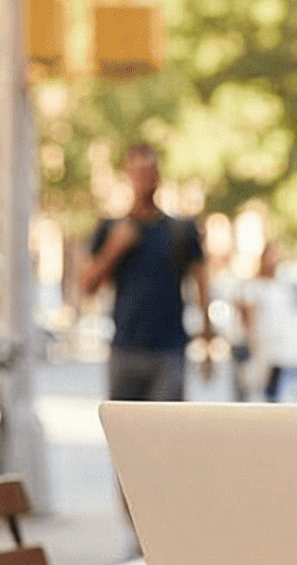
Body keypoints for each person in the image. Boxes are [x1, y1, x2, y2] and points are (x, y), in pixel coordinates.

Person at [79, 143, 209, 404]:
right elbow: (87, 285)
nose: (142, 182)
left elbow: (202, 282)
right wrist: (114, 250)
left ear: (158, 178)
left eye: (148, 174)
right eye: (136, 174)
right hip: (125, 347)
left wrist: (207, 338)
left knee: (166, 435)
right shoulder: (111, 228)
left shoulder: (180, 231)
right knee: (124, 437)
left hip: (169, 350)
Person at [238, 241, 297, 401]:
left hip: (286, 344)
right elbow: (249, 320)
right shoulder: (253, 286)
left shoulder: (282, 286)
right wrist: (255, 346)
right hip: (267, 343)